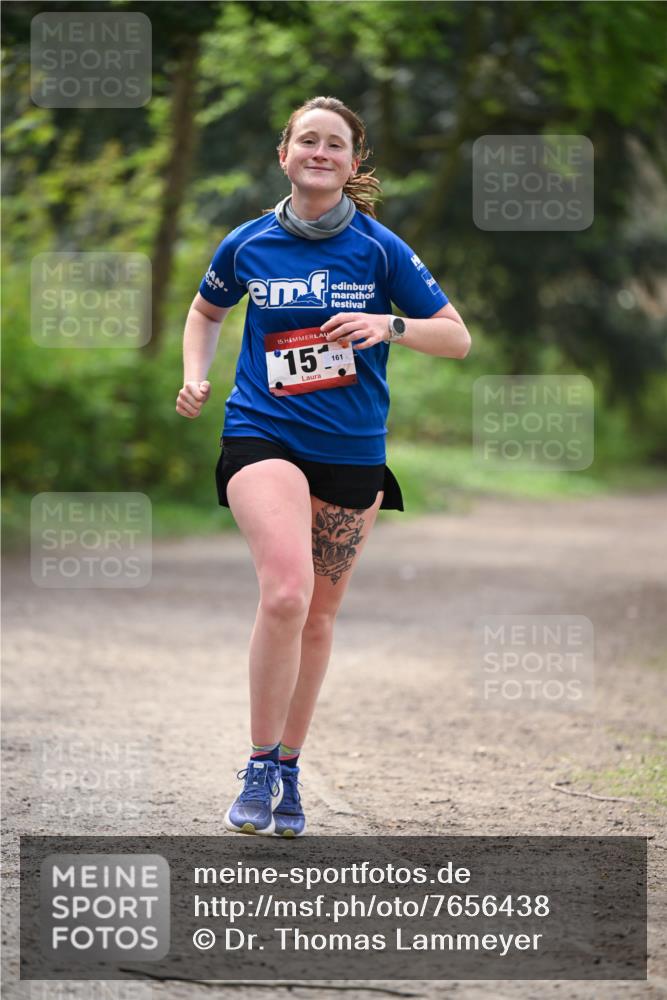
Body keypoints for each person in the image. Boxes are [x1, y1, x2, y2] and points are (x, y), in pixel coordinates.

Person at [176, 96, 471, 838]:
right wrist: (195, 375)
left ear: (351, 162)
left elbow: (455, 337)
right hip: (261, 433)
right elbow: (206, 312)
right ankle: (256, 762)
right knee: (286, 593)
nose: (319, 152)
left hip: (350, 450)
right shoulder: (246, 243)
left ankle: (288, 767)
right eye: (306, 140)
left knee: (318, 616)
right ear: (283, 154)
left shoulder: (379, 249)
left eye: (334, 143)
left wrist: (387, 324)